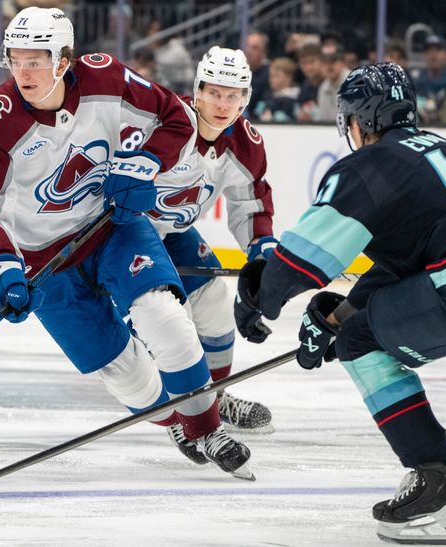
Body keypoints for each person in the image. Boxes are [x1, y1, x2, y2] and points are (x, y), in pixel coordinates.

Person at [0, 7, 253, 478]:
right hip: (44, 263)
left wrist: (146, 164)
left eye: (37, 60)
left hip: (110, 227)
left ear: (63, 60)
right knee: (132, 381)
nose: (24, 71)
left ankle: (208, 427)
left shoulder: (105, 77)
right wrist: (1, 265)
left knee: (166, 318)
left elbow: (175, 118)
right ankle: (176, 420)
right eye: (16, 58)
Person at [235, 62, 446, 544]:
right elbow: (418, 268)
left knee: (363, 344)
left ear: (355, 122)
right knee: (360, 331)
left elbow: (301, 263)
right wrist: (337, 316)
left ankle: (435, 490)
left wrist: (257, 294)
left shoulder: (371, 164)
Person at [120, 46, 276, 449]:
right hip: (125, 232)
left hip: (174, 233)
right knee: (165, 323)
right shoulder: (168, 123)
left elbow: (251, 204)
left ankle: (213, 402)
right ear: (197, 91)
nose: (223, 105)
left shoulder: (245, 143)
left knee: (215, 303)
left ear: (246, 98)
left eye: (233, 95)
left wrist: (261, 248)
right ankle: (181, 410)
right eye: (214, 93)